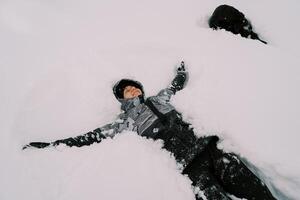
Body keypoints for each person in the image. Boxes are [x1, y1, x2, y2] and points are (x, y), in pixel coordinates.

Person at [23, 62, 276, 200]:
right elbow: (91, 137)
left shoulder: (158, 100)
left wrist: (181, 74)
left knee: (255, 189)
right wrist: (54, 144)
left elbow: (174, 86)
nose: (132, 91)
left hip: (210, 149)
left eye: (134, 88)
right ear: (122, 99)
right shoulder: (124, 123)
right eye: (127, 91)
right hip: (191, 170)